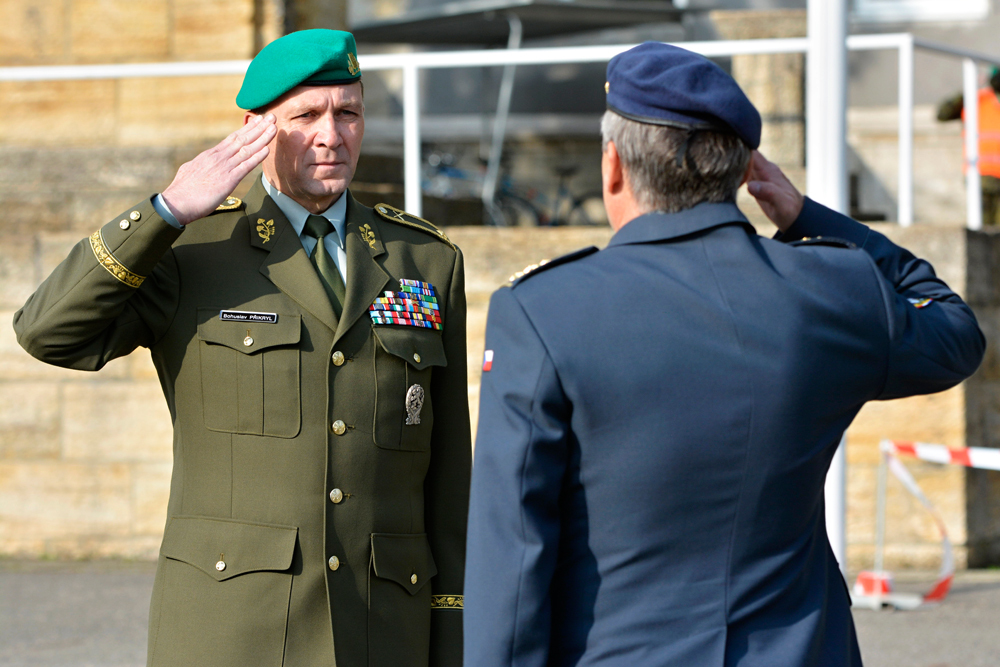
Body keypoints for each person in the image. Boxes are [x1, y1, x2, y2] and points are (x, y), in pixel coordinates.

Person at [465, 42, 984, 667]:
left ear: (613, 166)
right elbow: (955, 330)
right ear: (743, 172)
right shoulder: (830, 289)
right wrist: (809, 218)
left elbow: (514, 557)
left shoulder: (542, 310)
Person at [14, 29, 470, 667]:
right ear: (257, 129)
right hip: (232, 632)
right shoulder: (191, 251)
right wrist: (166, 212)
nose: (331, 136)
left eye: (349, 113)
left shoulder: (423, 258)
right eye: (307, 115)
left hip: (383, 630)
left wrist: (450, 634)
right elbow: (46, 332)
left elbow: (449, 474)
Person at [937, 67, 1000, 225]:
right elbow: (943, 114)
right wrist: (969, 89)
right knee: (982, 228)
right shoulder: (976, 99)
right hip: (981, 175)